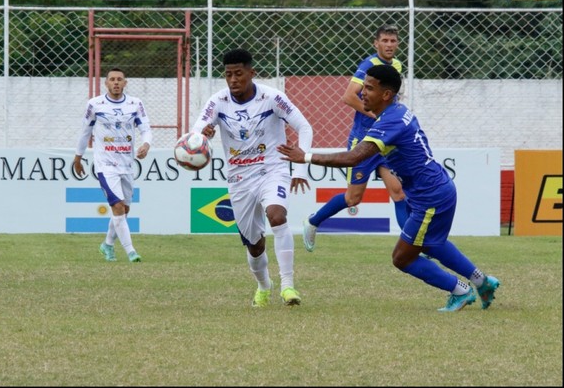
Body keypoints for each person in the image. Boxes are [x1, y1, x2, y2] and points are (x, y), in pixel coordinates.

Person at [277, 64, 500, 312]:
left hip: (430, 197)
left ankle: (460, 290)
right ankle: (482, 281)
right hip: (436, 189)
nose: (362, 93)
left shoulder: (389, 122)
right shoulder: (397, 113)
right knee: (432, 244)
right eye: (363, 86)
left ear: (386, 94)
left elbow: (353, 158)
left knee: (402, 258)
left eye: (369, 88)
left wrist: (305, 157)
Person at [191, 48, 313, 307]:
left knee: (277, 216)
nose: (233, 80)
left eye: (238, 74)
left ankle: (288, 286)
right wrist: (205, 135)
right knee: (254, 245)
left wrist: (300, 167)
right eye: (228, 75)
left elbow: (304, 126)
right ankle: (263, 285)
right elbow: (196, 133)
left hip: (272, 169)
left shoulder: (272, 98)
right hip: (239, 179)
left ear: (251, 73)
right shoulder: (218, 102)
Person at [302, 24, 409, 252]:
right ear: (376, 43)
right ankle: (313, 222)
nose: (390, 45)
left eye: (393, 41)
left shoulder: (397, 65)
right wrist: (376, 116)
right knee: (353, 199)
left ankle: (414, 245)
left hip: (387, 142)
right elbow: (349, 96)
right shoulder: (369, 65)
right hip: (364, 142)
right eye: (385, 41)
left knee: (398, 192)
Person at [73, 67, 152, 263]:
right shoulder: (95, 104)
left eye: (120, 79)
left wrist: (146, 144)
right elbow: (85, 132)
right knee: (116, 206)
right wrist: (78, 156)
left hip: (126, 164)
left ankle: (107, 245)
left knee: (124, 210)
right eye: (112, 79)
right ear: (106, 83)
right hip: (105, 164)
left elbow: (146, 128)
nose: (116, 82)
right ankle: (131, 252)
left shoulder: (135, 104)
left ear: (125, 83)